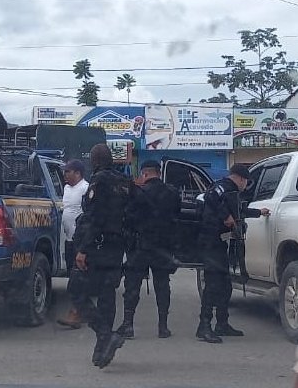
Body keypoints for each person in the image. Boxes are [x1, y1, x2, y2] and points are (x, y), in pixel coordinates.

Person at [196, 163, 270, 343]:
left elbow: (238, 211)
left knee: (225, 285)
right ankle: (204, 326)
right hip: (211, 241)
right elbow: (210, 197)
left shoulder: (232, 192)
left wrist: (258, 212)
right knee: (213, 284)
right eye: (246, 182)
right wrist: (225, 216)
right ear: (241, 178)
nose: (246, 185)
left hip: (221, 242)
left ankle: (222, 323)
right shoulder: (222, 186)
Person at [75, 143, 132, 369]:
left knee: (77, 292)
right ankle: (102, 349)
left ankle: (105, 334)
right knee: (108, 295)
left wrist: (83, 249)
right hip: (117, 248)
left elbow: (95, 218)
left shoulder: (99, 183)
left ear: (94, 160)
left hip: (97, 247)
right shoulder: (125, 183)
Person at [116, 160, 181, 339]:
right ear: (159, 173)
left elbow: (127, 218)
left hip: (140, 246)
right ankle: (163, 327)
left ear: (144, 174)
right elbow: (177, 219)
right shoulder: (173, 193)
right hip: (162, 247)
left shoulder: (137, 193)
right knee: (162, 285)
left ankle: (128, 324)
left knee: (132, 285)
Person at [56, 159, 90, 328]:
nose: (65, 174)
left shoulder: (85, 188)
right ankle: (83, 311)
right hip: (69, 240)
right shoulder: (67, 189)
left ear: (78, 173)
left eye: (68, 171)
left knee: (79, 279)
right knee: (73, 275)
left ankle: (78, 313)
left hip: (81, 241)